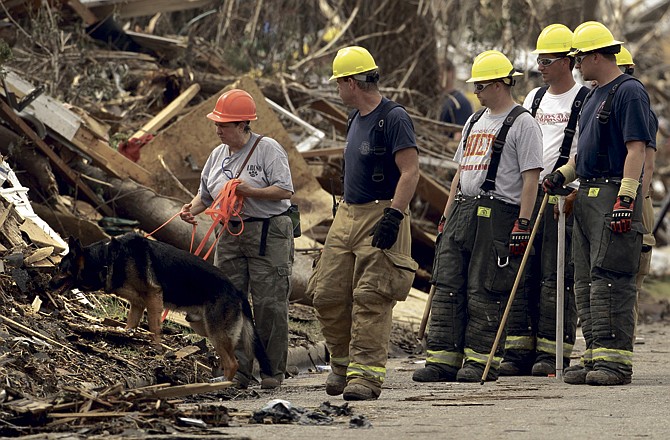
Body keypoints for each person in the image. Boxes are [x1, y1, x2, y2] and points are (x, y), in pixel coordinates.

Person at [412, 50, 543, 383]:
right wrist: (447, 213)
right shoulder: (473, 120)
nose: (476, 92)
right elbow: (461, 171)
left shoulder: (523, 123)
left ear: (500, 84)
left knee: (484, 287)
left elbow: (531, 178)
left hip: (498, 213)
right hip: (463, 209)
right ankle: (442, 359)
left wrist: (523, 222)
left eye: (481, 85)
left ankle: (480, 360)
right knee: (447, 283)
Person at [543, 21, 653, 386]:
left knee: (611, 279)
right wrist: (563, 174)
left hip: (611, 195)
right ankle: (594, 355)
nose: (574, 65)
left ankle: (615, 363)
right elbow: (584, 154)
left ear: (594, 56)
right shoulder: (593, 96)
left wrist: (626, 197)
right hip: (587, 193)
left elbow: (636, 149)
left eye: (577, 58)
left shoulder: (629, 92)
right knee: (586, 281)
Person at [310, 46, 420, 401]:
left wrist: (394, 214)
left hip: (382, 213)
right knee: (326, 292)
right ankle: (341, 366)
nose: (337, 91)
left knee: (372, 297)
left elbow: (410, 171)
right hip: (348, 213)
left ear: (352, 82)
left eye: (339, 84)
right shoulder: (355, 119)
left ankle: (366, 377)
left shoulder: (394, 118)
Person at [179, 89, 295, 390]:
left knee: (269, 303)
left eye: (224, 124)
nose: (218, 129)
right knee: (228, 303)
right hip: (229, 233)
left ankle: (271, 371)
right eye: (216, 123)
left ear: (243, 124)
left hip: (267, 232)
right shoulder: (217, 155)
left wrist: (249, 191)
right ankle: (238, 370)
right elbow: (205, 195)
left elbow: (284, 191)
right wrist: (190, 210)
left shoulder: (268, 149)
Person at [499, 24, 585, 377]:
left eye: (547, 60)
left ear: (567, 62)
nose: (541, 66)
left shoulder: (584, 98)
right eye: (539, 60)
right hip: (531, 196)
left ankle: (553, 354)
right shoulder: (534, 99)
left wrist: (574, 190)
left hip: (563, 200)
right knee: (523, 273)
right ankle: (518, 349)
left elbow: (586, 150)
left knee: (556, 277)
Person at [615, 47, 659, 337]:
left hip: (634, 199)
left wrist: (630, 199)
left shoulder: (636, 106)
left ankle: (621, 348)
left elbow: (648, 165)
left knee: (630, 277)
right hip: (625, 196)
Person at [440, 58, 474, 140]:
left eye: (441, 73)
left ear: (451, 73)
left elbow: (459, 138)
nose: (438, 77)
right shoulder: (434, 99)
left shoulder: (460, 102)